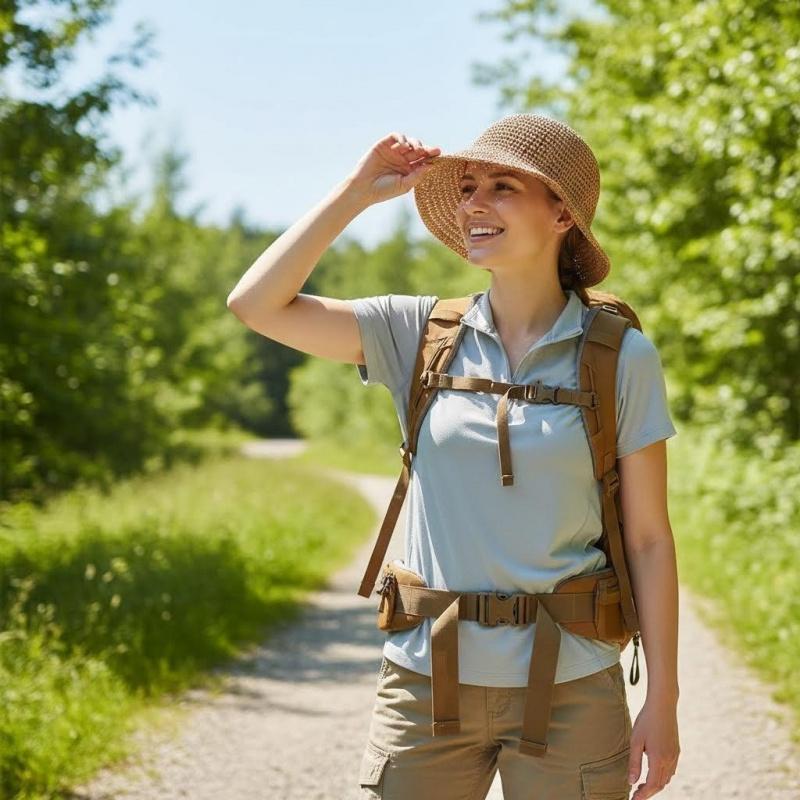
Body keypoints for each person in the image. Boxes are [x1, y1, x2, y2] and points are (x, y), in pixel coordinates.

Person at [226, 113, 681, 800]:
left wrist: (664, 703)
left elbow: (648, 539)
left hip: (573, 682)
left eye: (503, 187)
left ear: (563, 213)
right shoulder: (418, 332)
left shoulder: (619, 357)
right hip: (425, 682)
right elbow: (256, 304)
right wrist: (353, 193)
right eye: (468, 187)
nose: (474, 203)